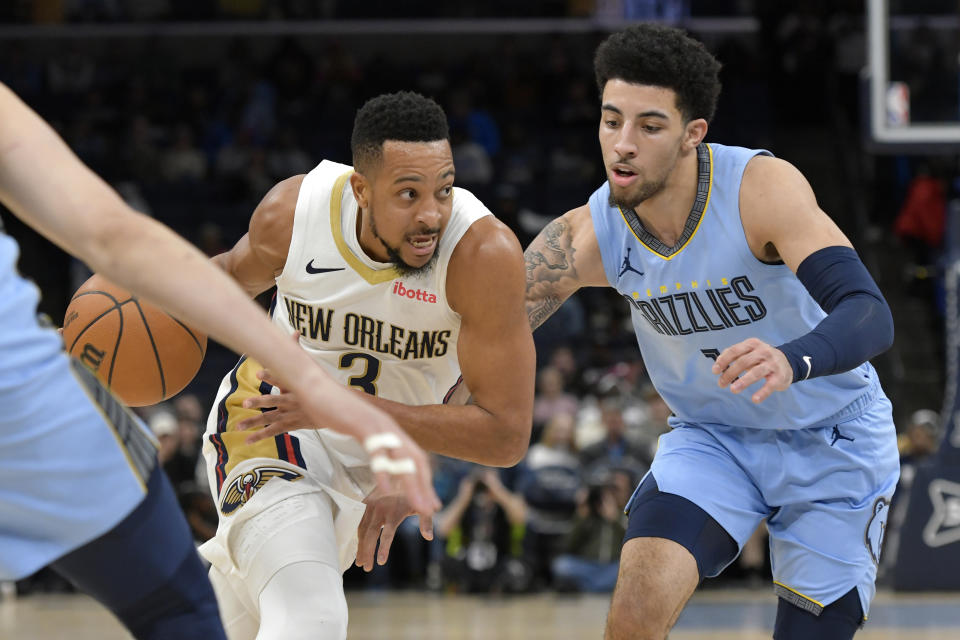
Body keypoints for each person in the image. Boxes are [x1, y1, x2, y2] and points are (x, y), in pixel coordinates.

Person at [0, 82, 436, 639]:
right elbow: (113, 236)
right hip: (58, 406)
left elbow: (114, 237)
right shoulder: (303, 210)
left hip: (33, 400)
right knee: (225, 614)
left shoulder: (473, 252)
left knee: (195, 617)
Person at [523, 24, 899, 640]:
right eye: (611, 120)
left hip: (834, 438)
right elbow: (486, 331)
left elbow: (869, 312)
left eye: (649, 126)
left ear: (692, 133)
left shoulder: (759, 190)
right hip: (715, 438)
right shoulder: (589, 233)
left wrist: (792, 359)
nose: (622, 144)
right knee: (633, 619)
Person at [198, 91, 534, 640]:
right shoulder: (296, 213)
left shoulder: (481, 254)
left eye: (444, 190)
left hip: (363, 466)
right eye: (408, 194)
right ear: (360, 188)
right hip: (267, 423)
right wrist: (128, 301)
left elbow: (505, 434)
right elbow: (220, 281)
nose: (431, 214)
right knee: (312, 617)